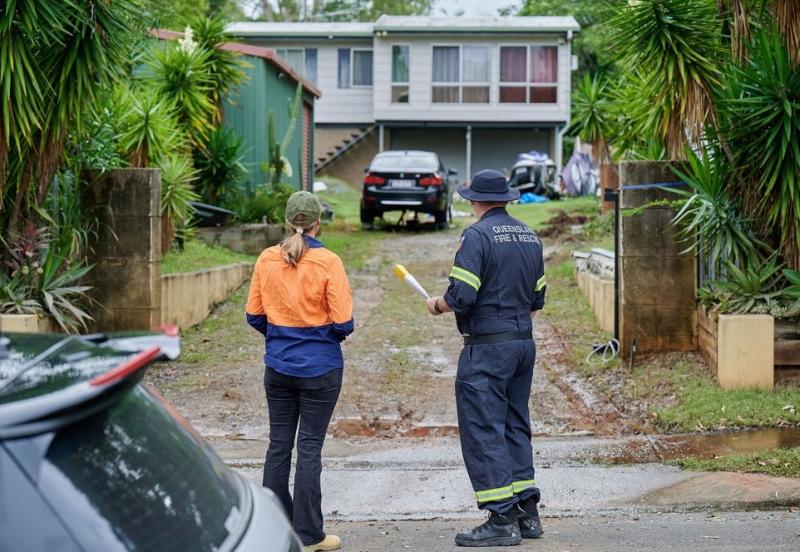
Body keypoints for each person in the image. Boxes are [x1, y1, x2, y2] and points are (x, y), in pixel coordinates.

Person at [425, 169, 546, 547]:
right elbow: (537, 299)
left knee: (484, 428)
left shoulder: (476, 236)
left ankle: (501, 519)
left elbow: (462, 294)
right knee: (514, 423)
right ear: (507, 200)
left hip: (487, 350)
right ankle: (527, 513)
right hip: (522, 346)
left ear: (475, 201)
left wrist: (437, 305)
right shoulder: (530, 235)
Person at [246, 191, 354, 552]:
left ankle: (276, 531)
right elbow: (343, 323)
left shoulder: (266, 259)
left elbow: (254, 315)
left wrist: (282, 336)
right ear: (318, 221)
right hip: (320, 369)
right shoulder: (328, 262)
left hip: (277, 366)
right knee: (309, 448)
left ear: (286, 220)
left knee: (278, 446)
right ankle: (309, 536)